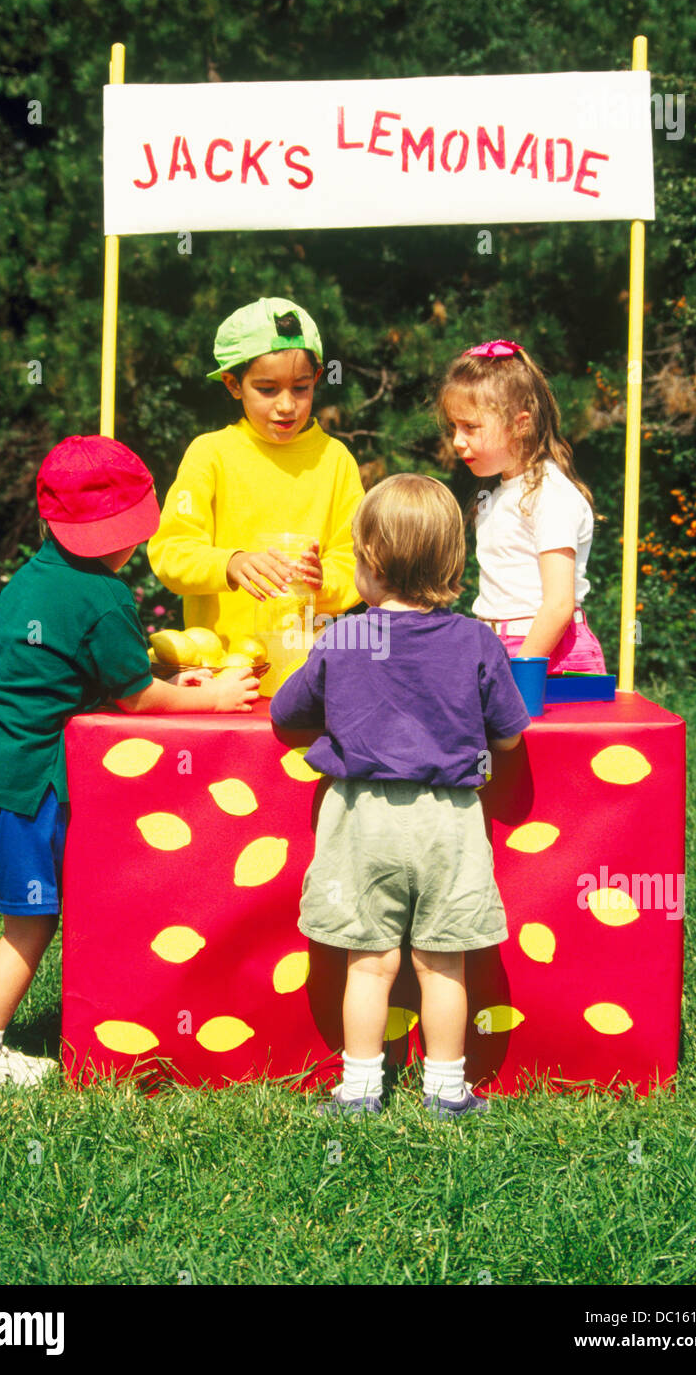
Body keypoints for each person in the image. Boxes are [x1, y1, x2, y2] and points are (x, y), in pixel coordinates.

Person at [0, 435, 258, 1092]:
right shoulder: (104, 599)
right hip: (19, 780)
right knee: (32, 919)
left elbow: (60, 667)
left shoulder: (33, 575)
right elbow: (136, 695)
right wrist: (212, 696)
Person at [270, 474, 531, 1120]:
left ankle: (359, 1088)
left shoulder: (345, 636)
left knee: (369, 961)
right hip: (448, 824)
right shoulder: (476, 641)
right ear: (451, 560)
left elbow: (286, 714)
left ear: (369, 564)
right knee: (444, 962)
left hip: (361, 821)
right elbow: (508, 737)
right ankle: (446, 1090)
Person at [148, 297, 365, 646]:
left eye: (301, 387)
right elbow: (170, 551)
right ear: (233, 384)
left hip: (305, 667)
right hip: (221, 671)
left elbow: (356, 561)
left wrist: (325, 583)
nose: (286, 405)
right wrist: (230, 563)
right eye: (267, 389)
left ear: (317, 379)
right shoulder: (210, 454)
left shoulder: (336, 460)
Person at [438, 339, 606, 674]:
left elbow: (558, 605)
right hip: (501, 647)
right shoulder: (498, 493)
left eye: (470, 427)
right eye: (454, 427)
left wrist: (520, 671)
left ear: (521, 423)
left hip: (547, 653)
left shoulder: (550, 496)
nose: (457, 441)